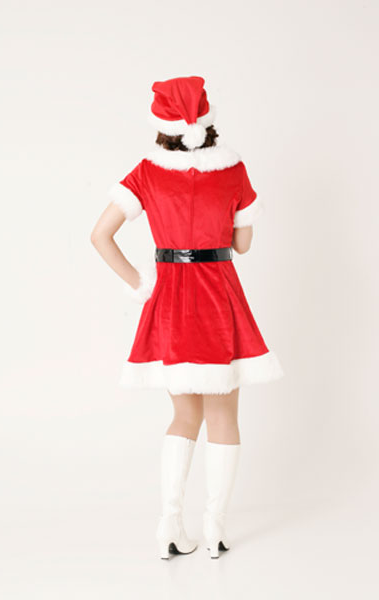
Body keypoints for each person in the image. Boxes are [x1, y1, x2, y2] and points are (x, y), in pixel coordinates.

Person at [91, 75, 284, 559]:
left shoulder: (148, 171)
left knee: (183, 414)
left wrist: (141, 283)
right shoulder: (233, 168)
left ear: (162, 123)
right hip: (219, 296)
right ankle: (215, 529)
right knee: (224, 414)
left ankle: (170, 524)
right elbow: (242, 244)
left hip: (172, 298)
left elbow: (99, 235)